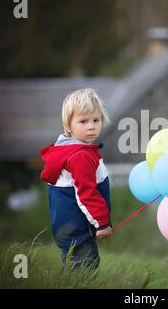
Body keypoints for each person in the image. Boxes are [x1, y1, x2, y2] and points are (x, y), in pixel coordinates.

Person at [39, 88, 112, 271]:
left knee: (73, 267)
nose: (91, 126)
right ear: (69, 125)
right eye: (83, 121)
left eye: (96, 120)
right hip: (78, 229)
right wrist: (102, 222)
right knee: (85, 269)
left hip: (69, 228)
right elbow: (86, 194)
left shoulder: (72, 150)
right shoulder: (80, 156)